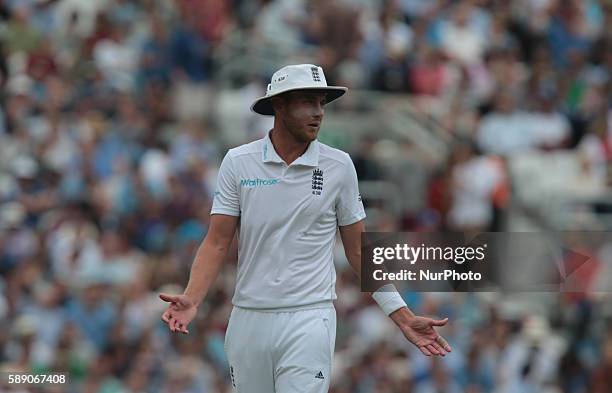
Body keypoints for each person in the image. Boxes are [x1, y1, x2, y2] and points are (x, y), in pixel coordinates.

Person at [159, 64, 451, 392]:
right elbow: (216, 242)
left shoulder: (339, 166)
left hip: (309, 317)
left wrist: (402, 316)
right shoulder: (238, 162)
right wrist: (192, 298)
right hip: (248, 319)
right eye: (307, 102)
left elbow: (358, 251)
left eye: (321, 103)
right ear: (279, 105)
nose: (318, 113)